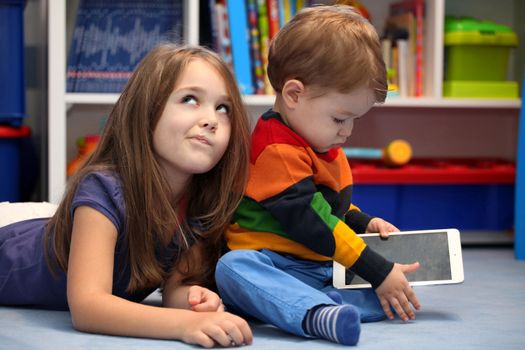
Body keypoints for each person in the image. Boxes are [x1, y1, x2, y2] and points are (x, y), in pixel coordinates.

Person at [0, 44, 253, 348]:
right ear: (146, 111)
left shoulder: (200, 203)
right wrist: (185, 324)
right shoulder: (103, 187)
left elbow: (176, 289)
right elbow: (88, 307)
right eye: (190, 99)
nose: (211, 119)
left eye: (222, 108)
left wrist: (196, 302)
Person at [215, 5, 421, 346]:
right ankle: (313, 314)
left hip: (321, 268)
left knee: (394, 293)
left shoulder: (318, 139)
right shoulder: (275, 148)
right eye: (340, 119)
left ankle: (300, 306)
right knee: (232, 268)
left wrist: (364, 222)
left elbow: (330, 206)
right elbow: (311, 219)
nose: (348, 131)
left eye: (355, 119)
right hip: (273, 264)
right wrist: (377, 269)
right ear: (295, 94)